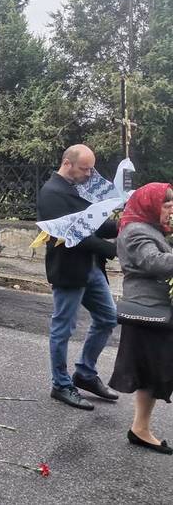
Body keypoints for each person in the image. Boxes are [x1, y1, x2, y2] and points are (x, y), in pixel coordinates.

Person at [37, 144, 118, 410]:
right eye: (85, 168)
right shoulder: (51, 193)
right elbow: (74, 235)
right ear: (67, 163)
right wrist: (112, 248)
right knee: (63, 328)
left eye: (91, 168)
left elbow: (92, 224)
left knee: (107, 317)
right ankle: (60, 384)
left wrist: (121, 225)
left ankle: (84, 373)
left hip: (92, 267)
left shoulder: (79, 188)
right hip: (69, 270)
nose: (89, 173)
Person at [108, 183, 173, 454]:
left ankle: (140, 428)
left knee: (152, 372)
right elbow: (154, 261)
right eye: (166, 204)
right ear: (150, 204)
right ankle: (140, 429)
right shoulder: (136, 231)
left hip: (157, 310)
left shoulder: (150, 227)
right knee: (150, 372)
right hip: (149, 311)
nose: (171, 209)